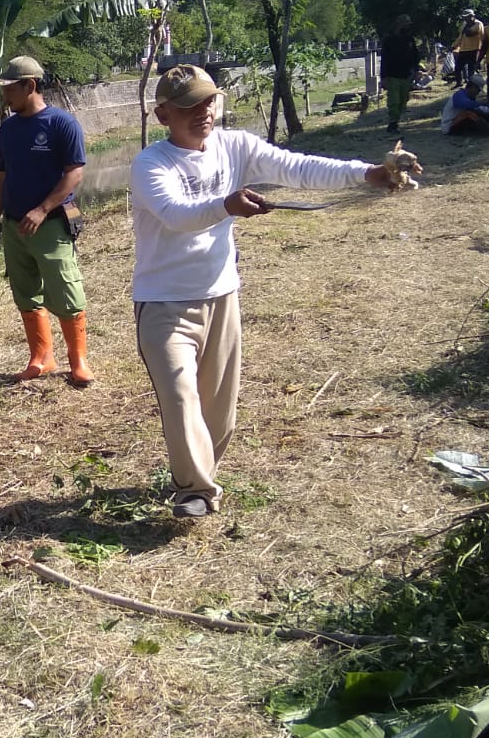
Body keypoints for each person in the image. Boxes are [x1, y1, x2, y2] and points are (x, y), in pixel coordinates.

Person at [129, 66, 414, 519]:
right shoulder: (150, 164)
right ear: (164, 114)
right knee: (181, 396)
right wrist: (227, 204)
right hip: (163, 303)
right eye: (188, 106)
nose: (202, 112)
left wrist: (368, 174)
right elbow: (175, 214)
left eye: (208, 101)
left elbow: (297, 167)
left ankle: (199, 474)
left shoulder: (235, 145)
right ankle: (195, 491)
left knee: (219, 412)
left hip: (222, 295)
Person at [0, 55, 92, 387]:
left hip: (52, 224)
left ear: (30, 86)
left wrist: (43, 209)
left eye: (9, 89)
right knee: (26, 292)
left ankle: (78, 361)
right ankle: (41, 357)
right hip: (15, 226)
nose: (5, 96)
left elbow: (75, 173)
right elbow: (1, 179)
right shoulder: (7, 130)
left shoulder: (62, 124)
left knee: (66, 291)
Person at [379, 14, 421, 132]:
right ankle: (392, 123)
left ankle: (396, 120)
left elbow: (415, 57)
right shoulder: (389, 40)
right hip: (392, 75)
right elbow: (384, 59)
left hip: (406, 75)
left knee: (403, 100)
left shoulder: (409, 39)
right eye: (406, 24)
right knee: (394, 100)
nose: (407, 26)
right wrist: (383, 77)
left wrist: (416, 71)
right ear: (399, 24)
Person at [451, 8, 485, 88]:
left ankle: (471, 86)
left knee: (471, 70)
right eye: (465, 17)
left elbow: (470, 33)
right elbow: (460, 37)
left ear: (473, 16)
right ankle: (459, 83)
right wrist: (454, 46)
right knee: (457, 68)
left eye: (468, 17)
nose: (466, 18)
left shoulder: (478, 24)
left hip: (474, 50)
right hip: (463, 50)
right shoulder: (465, 24)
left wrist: (467, 26)